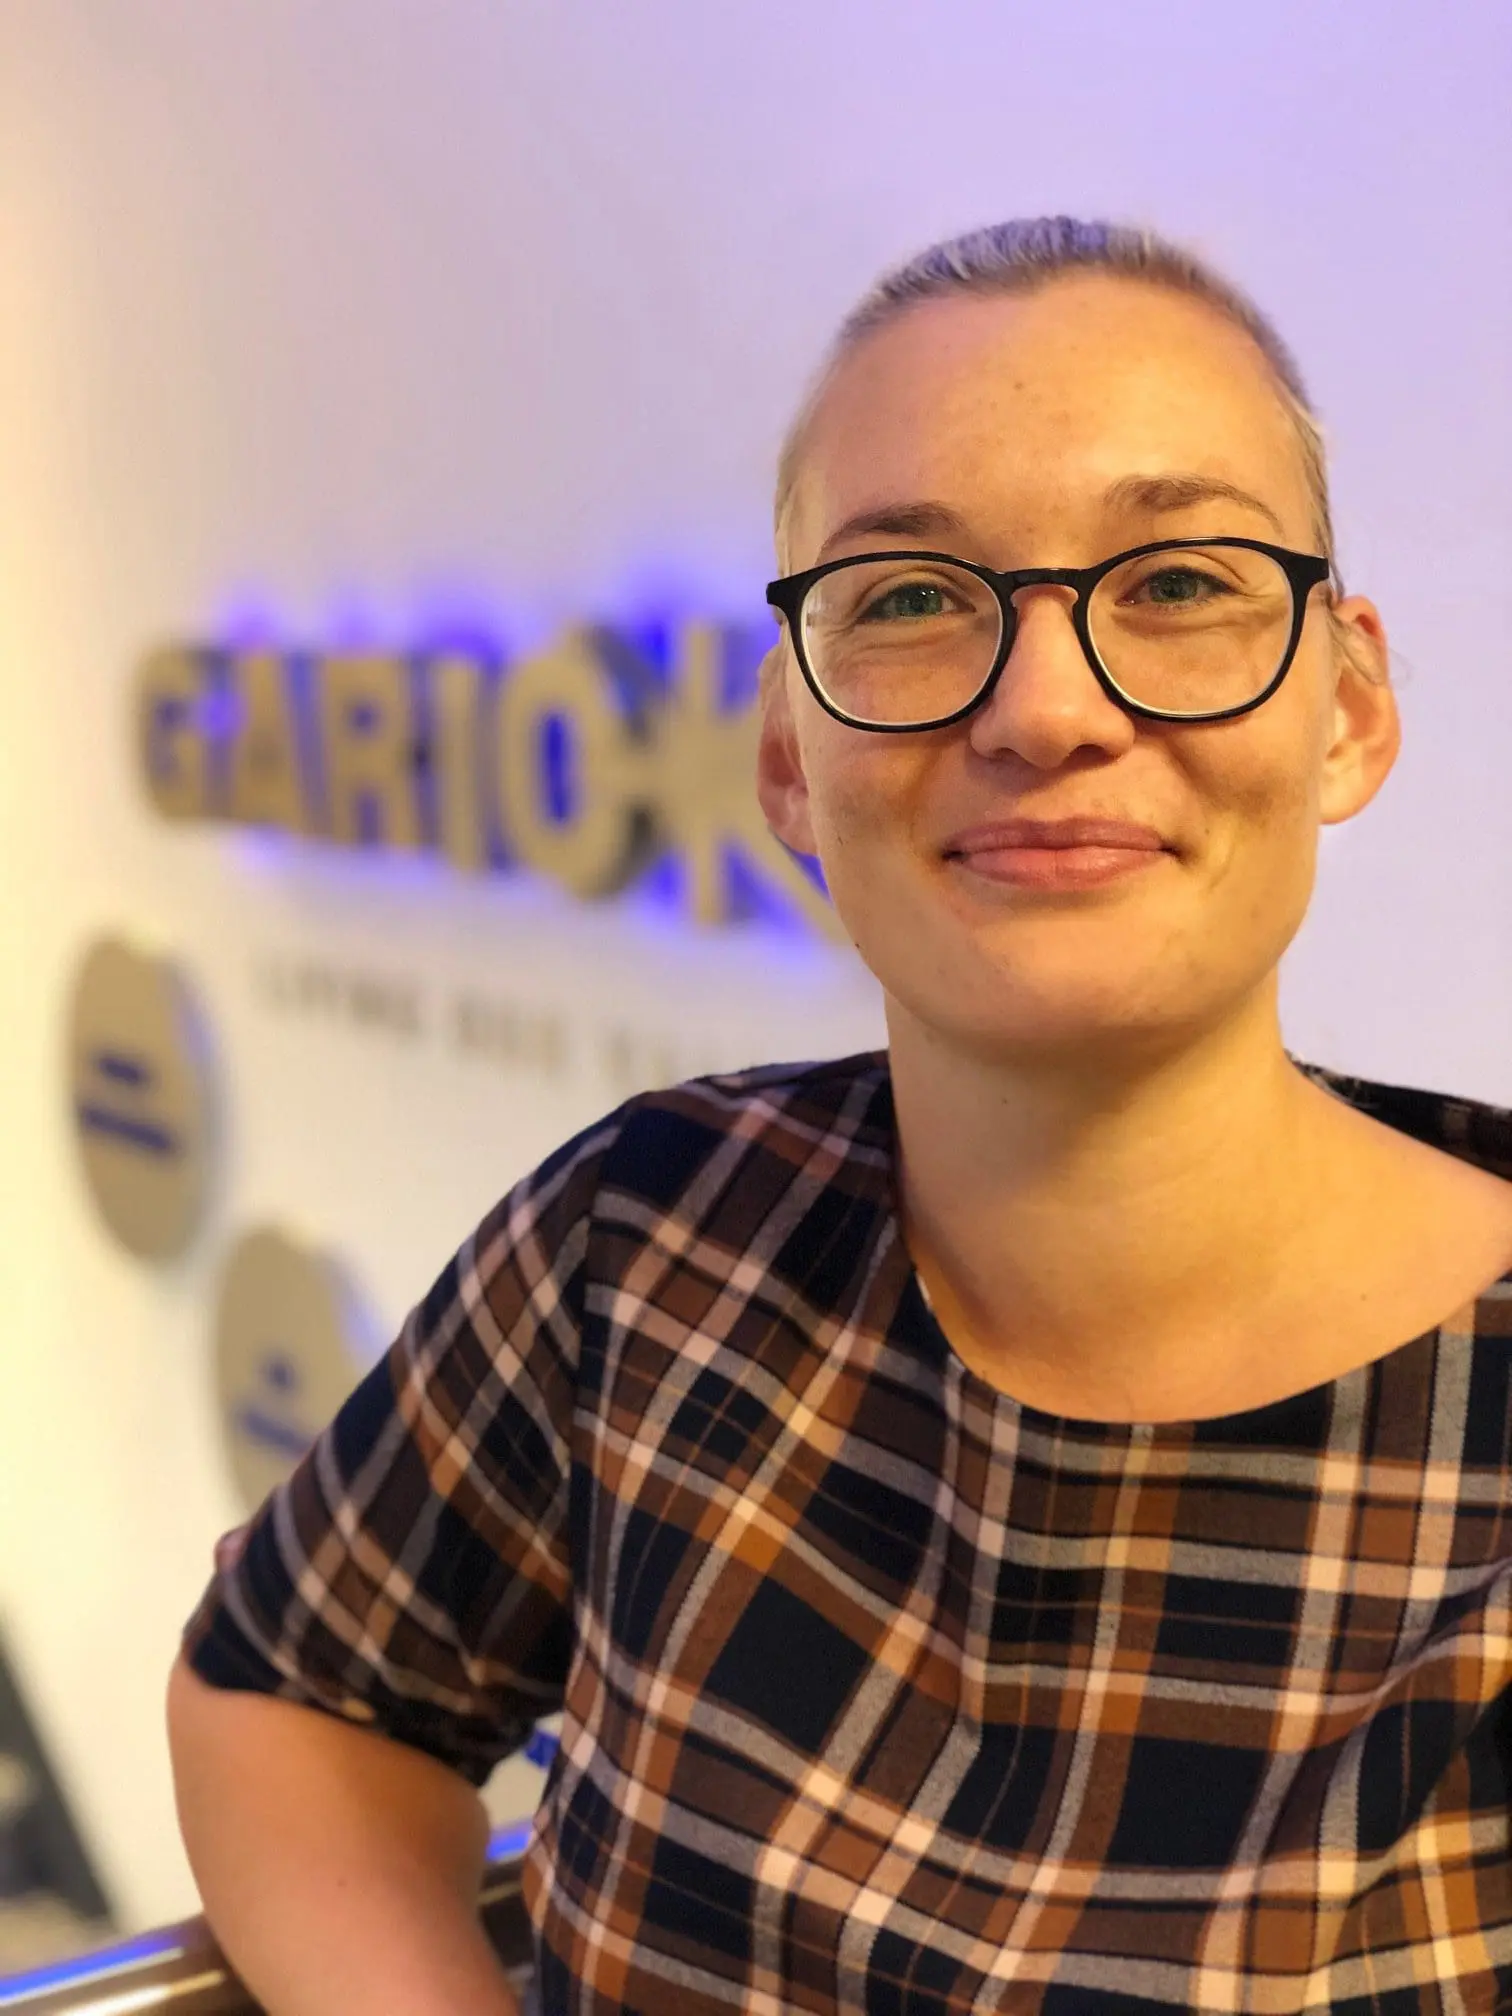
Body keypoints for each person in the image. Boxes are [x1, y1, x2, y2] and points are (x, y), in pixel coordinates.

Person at [167, 216, 1512, 2015]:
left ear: (1348, 707)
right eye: (907, 600)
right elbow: (299, 1689)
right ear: (793, 766)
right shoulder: (653, 1232)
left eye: (1179, 582)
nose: (1047, 711)